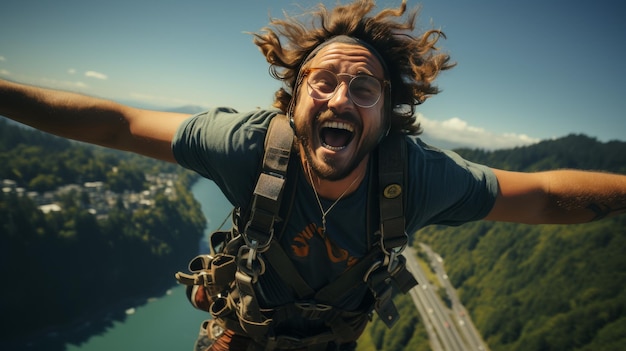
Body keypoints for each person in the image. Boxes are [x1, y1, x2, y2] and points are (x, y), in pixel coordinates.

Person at [1, 0, 625, 350]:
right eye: (322, 81)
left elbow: (542, 195)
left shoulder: (419, 177)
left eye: (364, 87)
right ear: (293, 100)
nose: (341, 98)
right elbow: (114, 124)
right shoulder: (247, 146)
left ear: (387, 116)